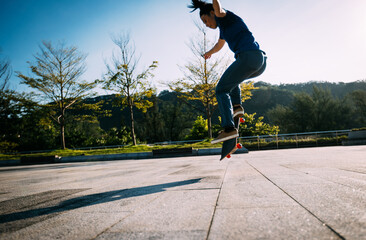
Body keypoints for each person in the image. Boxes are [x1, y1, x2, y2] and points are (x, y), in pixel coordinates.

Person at [189, 0, 267, 144]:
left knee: (220, 90)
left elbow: (218, 7)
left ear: (212, 13)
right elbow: (219, 45)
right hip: (258, 61)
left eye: (206, 20)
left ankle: (229, 129)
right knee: (232, 81)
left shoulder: (223, 16)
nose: (206, 25)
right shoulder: (223, 29)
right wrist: (209, 52)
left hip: (248, 57)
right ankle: (237, 107)